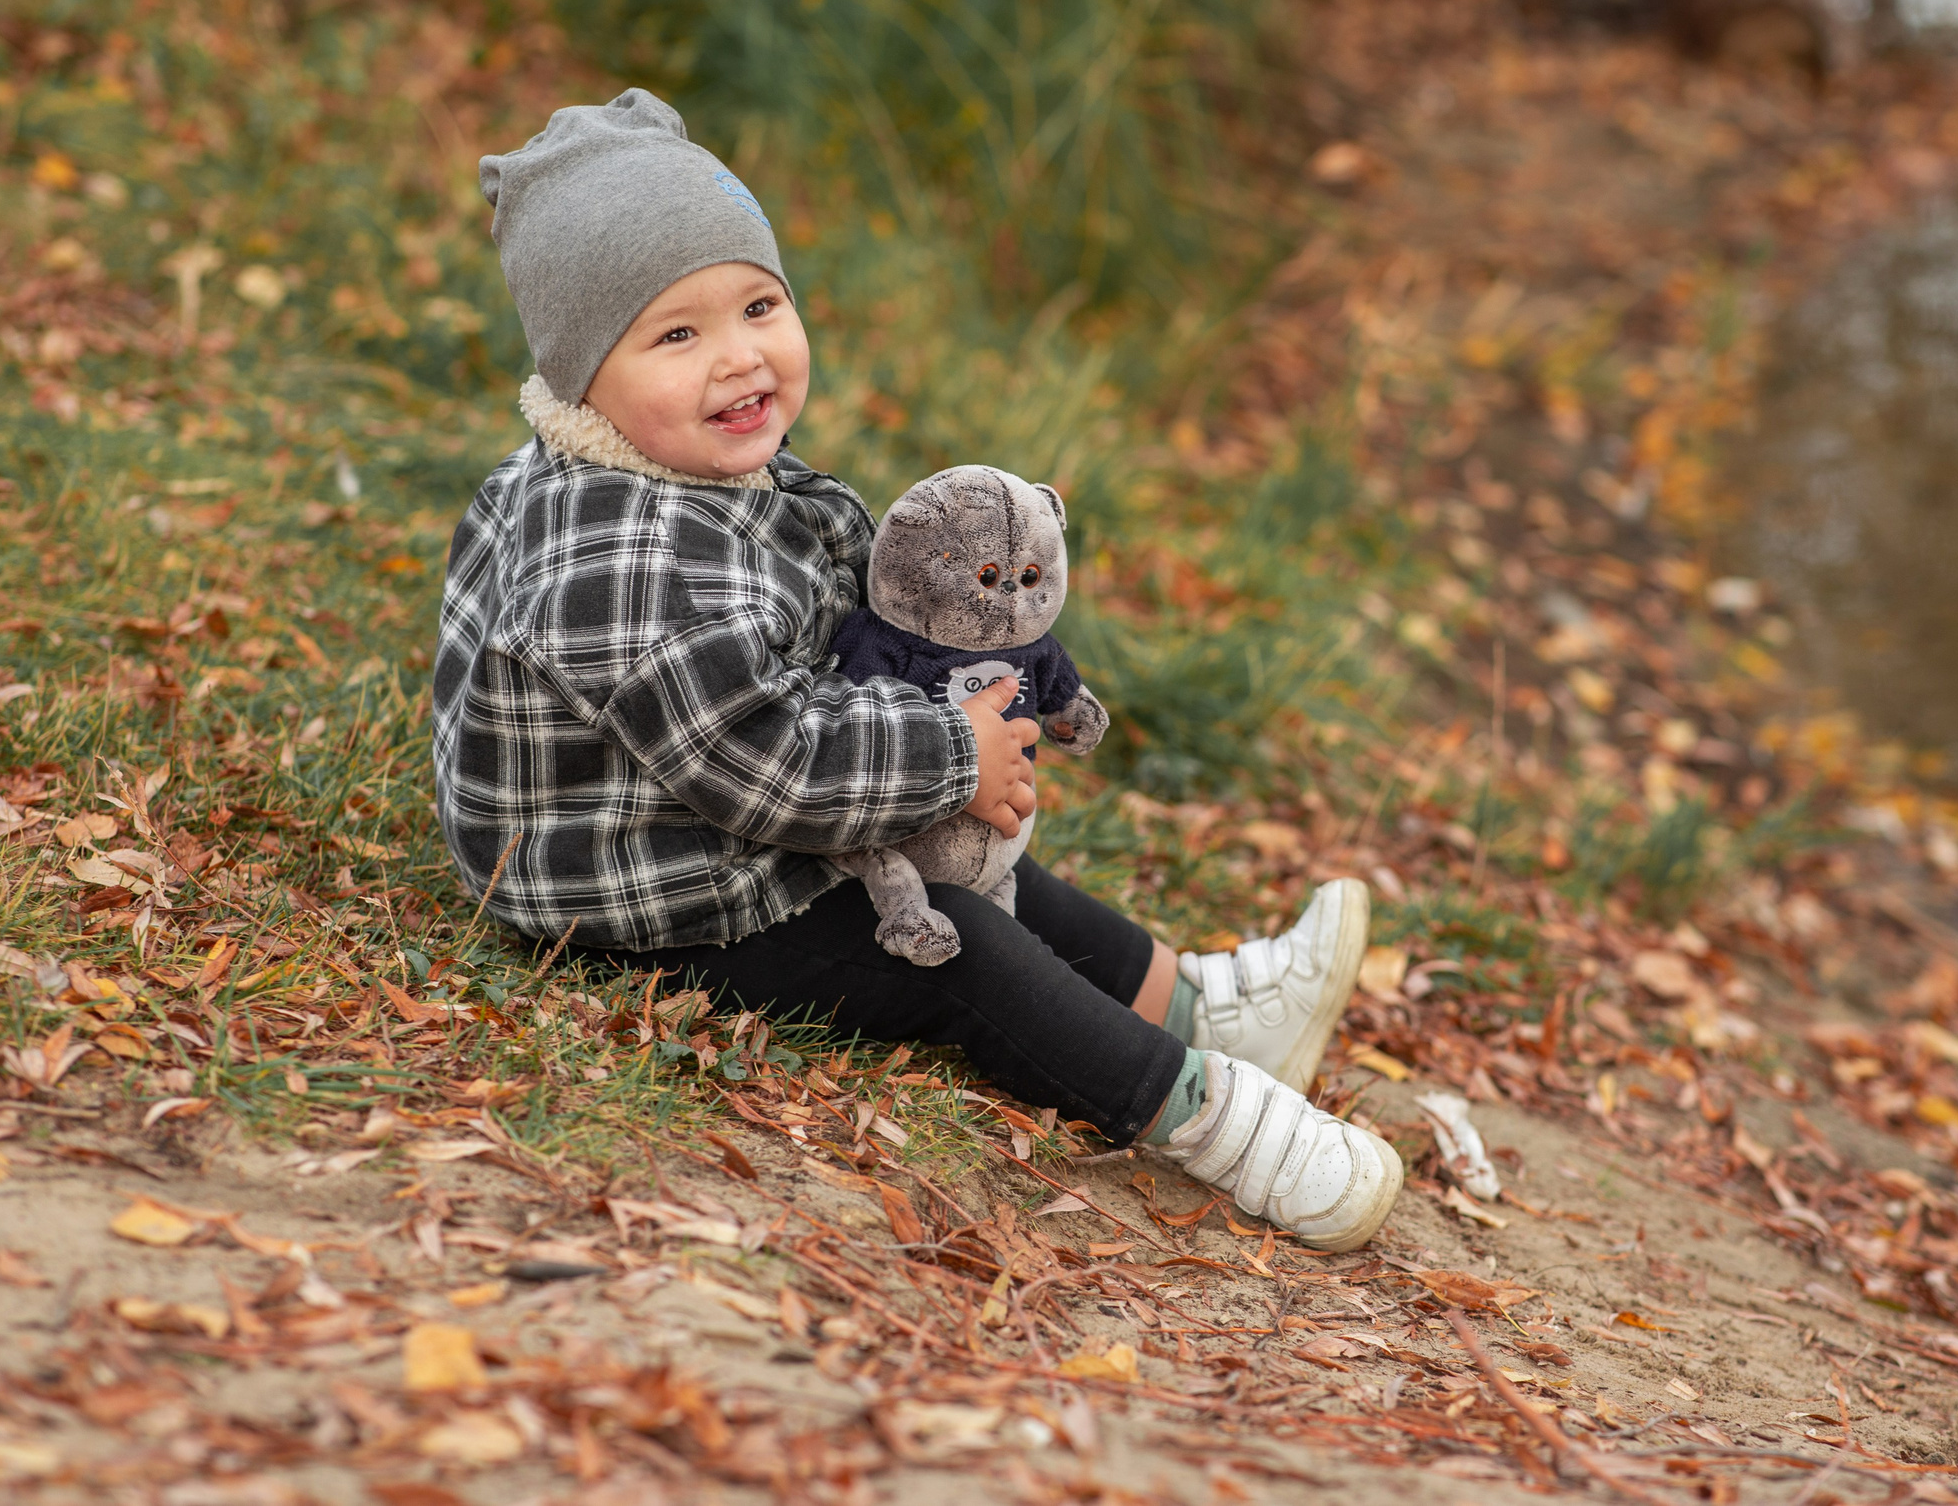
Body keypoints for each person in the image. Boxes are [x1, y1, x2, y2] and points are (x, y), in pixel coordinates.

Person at [432, 90, 1403, 1251]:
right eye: (675, 335)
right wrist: (950, 752)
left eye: (758, 305)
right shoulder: (621, 561)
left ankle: (1197, 1008)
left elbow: (805, 645)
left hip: (703, 814)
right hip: (652, 893)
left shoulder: (684, 471)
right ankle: (1222, 1126)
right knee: (955, 939)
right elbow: (772, 765)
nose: (740, 357)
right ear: (584, 372)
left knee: (985, 866)